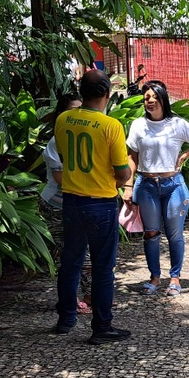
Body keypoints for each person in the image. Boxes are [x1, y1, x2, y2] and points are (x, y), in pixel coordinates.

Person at [53, 69, 133, 344]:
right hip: (100, 202)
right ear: (107, 95)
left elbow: (65, 156)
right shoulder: (111, 126)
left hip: (72, 201)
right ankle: (101, 326)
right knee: (102, 266)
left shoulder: (63, 119)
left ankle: (65, 318)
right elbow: (123, 174)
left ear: (80, 91)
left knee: (70, 261)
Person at [124, 80, 189, 296]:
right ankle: (154, 277)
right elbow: (132, 157)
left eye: (153, 97)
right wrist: (127, 185)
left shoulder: (177, 124)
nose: (150, 101)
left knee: (175, 234)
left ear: (163, 98)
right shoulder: (138, 125)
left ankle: (175, 277)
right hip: (146, 185)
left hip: (173, 186)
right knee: (151, 233)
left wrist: (185, 155)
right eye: (146, 98)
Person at [40, 93, 92, 312]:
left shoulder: (88, 136)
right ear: (61, 115)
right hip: (56, 205)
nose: (77, 115)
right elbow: (61, 179)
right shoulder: (56, 141)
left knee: (85, 252)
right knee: (71, 253)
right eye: (72, 110)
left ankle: (91, 297)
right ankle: (72, 302)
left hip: (80, 203)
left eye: (81, 109)